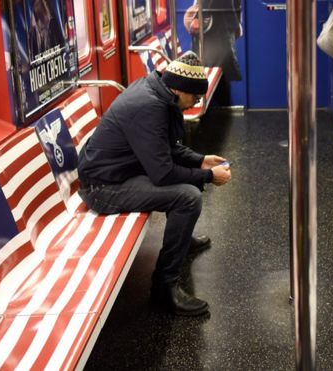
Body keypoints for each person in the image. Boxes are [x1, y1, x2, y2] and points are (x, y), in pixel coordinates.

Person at [77, 52, 232, 316]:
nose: (195, 102)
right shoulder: (149, 107)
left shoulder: (158, 92)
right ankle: (164, 287)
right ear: (178, 89)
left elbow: (166, 147)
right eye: (194, 97)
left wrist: (201, 160)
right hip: (102, 188)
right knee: (188, 197)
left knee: (187, 189)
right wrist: (208, 176)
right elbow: (163, 173)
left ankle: (180, 237)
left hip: (122, 172)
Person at [184, 0, 242, 106]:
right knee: (220, 71)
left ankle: (214, 111)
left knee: (213, 69)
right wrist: (237, 21)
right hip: (224, 23)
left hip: (214, 29)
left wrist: (198, 17)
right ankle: (222, 110)